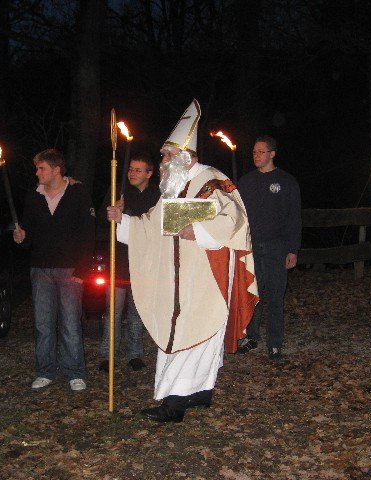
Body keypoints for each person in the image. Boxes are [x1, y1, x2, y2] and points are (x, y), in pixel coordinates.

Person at [107, 99, 258, 422]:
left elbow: (235, 217)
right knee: (186, 332)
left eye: (166, 155)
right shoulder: (172, 188)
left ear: (184, 157)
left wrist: (199, 230)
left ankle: (174, 404)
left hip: (206, 276)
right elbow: (151, 225)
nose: (162, 161)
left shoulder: (213, 180)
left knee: (193, 333)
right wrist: (123, 221)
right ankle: (201, 392)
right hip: (177, 278)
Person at [13, 148, 95, 392]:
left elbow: (88, 232)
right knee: (43, 324)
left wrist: (82, 268)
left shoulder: (78, 193)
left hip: (71, 269)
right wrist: (21, 238)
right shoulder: (33, 196)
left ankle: (75, 372)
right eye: (37, 168)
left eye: (42, 168)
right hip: (41, 269)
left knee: (70, 323)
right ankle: (45, 371)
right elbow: (28, 235)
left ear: (56, 170)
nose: (37, 173)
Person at [236, 135, 301, 360]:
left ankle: (274, 342)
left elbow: (294, 218)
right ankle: (251, 337)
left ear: (272, 154)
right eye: (254, 152)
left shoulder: (287, 181)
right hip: (251, 246)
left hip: (277, 247)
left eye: (261, 152)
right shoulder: (245, 182)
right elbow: (237, 214)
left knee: (275, 296)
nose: (256, 156)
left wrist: (292, 249)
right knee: (252, 294)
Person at [98, 154, 160, 372]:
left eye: (138, 170)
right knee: (113, 311)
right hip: (119, 261)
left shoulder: (157, 196)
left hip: (143, 263)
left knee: (137, 312)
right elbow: (100, 219)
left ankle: (135, 354)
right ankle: (108, 355)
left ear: (149, 174)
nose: (132, 173)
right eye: (131, 169)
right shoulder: (118, 191)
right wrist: (112, 211)